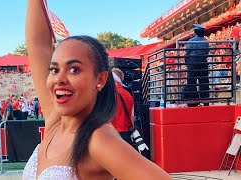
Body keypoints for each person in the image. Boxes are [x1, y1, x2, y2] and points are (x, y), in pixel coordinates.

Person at [23, 0, 171, 179]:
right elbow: (37, 45)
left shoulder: (97, 140)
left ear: (100, 79)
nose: (59, 79)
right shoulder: (55, 121)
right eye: (54, 69)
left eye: (74, 69)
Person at [184, 24, 210, 107]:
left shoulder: (191, 41)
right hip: (203, 61)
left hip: (193, 61)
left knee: (191, 82)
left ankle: (193, 101)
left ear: (195, 32)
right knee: (204, 81)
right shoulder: (206, 41)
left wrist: (186, 61)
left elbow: (187, 52)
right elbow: (206, 52)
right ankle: (205, 100)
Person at [110, 68, 134, 145]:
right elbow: (132, 117)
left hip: (112, 133)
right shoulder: (128, 95)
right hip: (127, 133)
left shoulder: (109, 95)